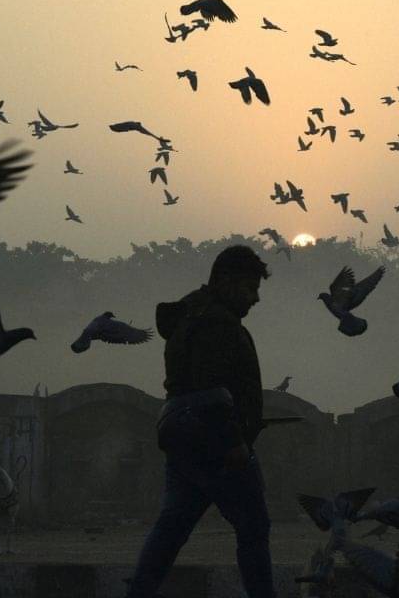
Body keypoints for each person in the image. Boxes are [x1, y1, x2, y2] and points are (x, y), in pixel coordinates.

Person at [124, 245, 275, 598]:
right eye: (249, 288)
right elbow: (211, 391)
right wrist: (236, 441)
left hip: (186, 444)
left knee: (171, 530)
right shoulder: (216, 325)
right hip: (221, 449)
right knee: (253, 529)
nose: (254, 299)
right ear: (226, 282)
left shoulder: (191, 316)